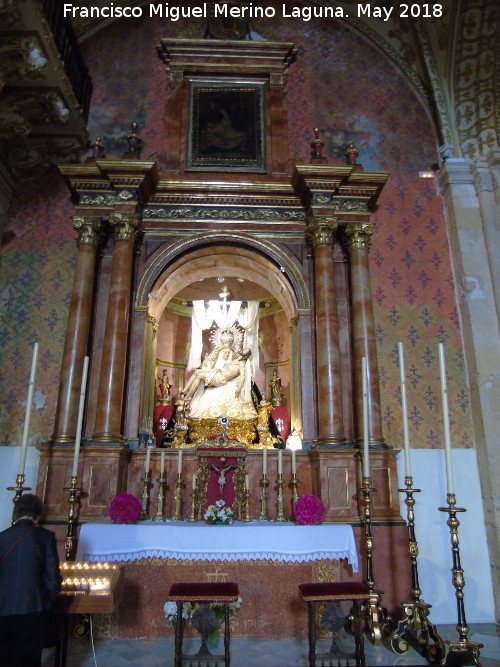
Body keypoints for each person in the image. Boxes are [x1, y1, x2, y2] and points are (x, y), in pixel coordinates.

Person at [0, 494, 62, 667]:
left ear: (16, 513)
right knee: (28, 660)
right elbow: (52, 577)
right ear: (38, 513)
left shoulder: (2, 537)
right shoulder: (45, 537)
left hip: (2, 608)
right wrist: (47, 602)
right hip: (33, 606)